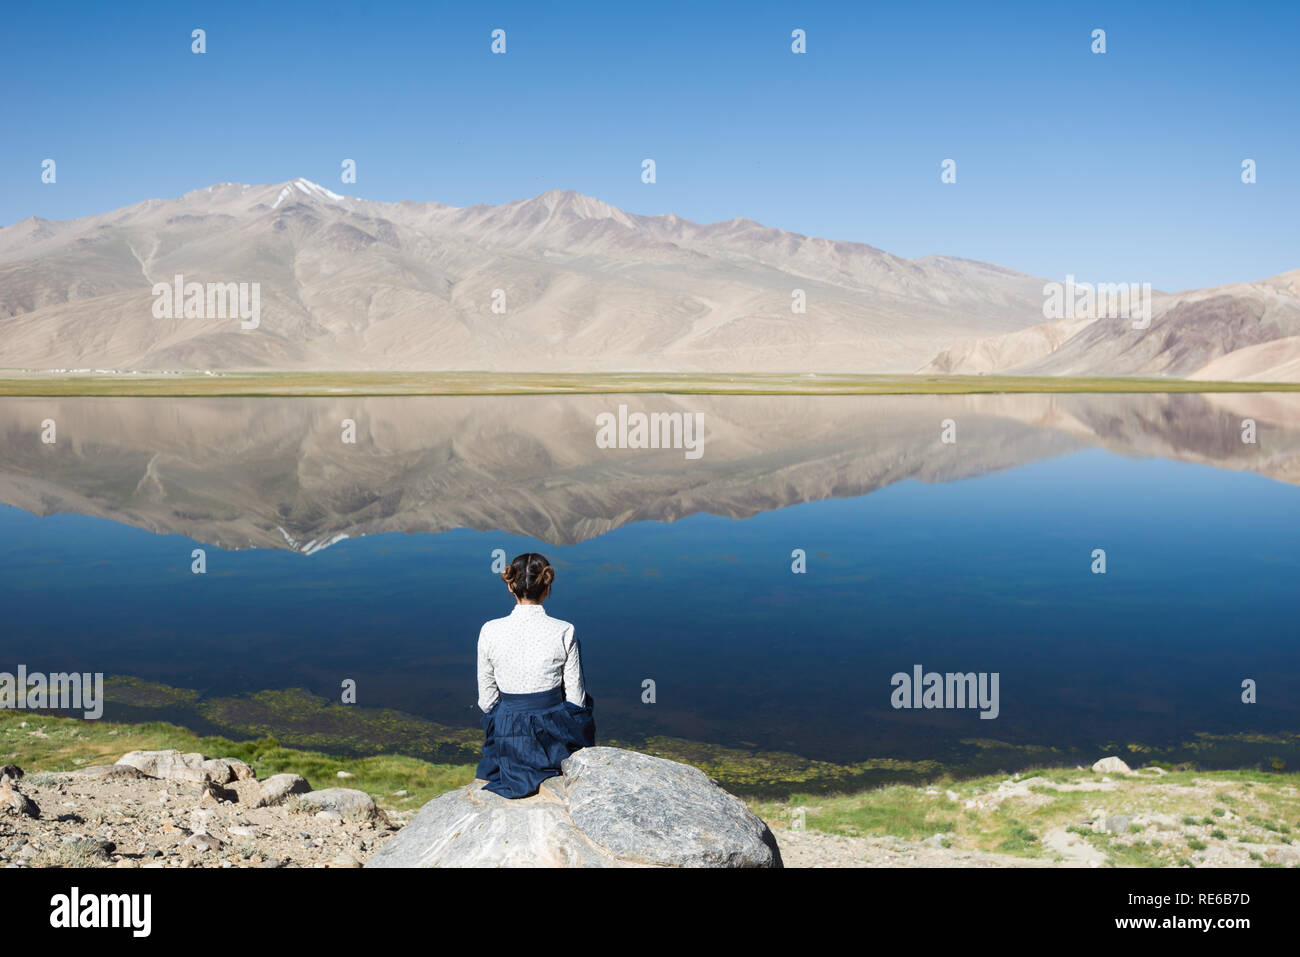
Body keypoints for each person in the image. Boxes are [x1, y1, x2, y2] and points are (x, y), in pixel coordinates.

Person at [475, 552, 595, 798]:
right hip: (552, 730)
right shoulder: (565, 630)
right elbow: (576, 701)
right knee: (586, 704)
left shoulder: (489, 630)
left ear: (510, 586)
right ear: (547, 587)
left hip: (508, 731)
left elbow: (487, 702)